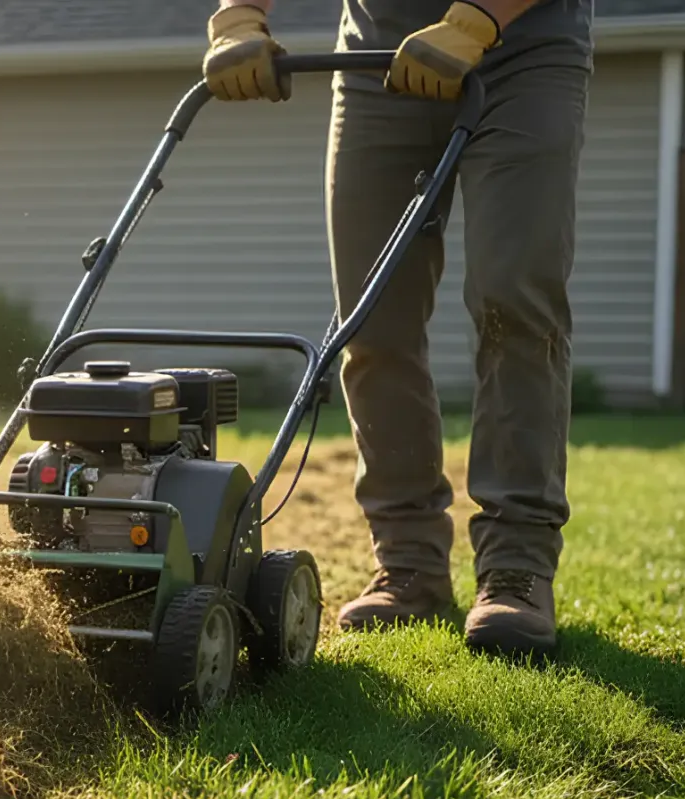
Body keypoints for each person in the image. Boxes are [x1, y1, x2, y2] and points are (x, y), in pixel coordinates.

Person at [203, 0, 589, 657]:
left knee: (514, 304)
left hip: (524, 50)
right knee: (372, 316)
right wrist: (238, 15)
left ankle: (515, 569)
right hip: (376, 54)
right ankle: (408, 562)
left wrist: (477, 19)